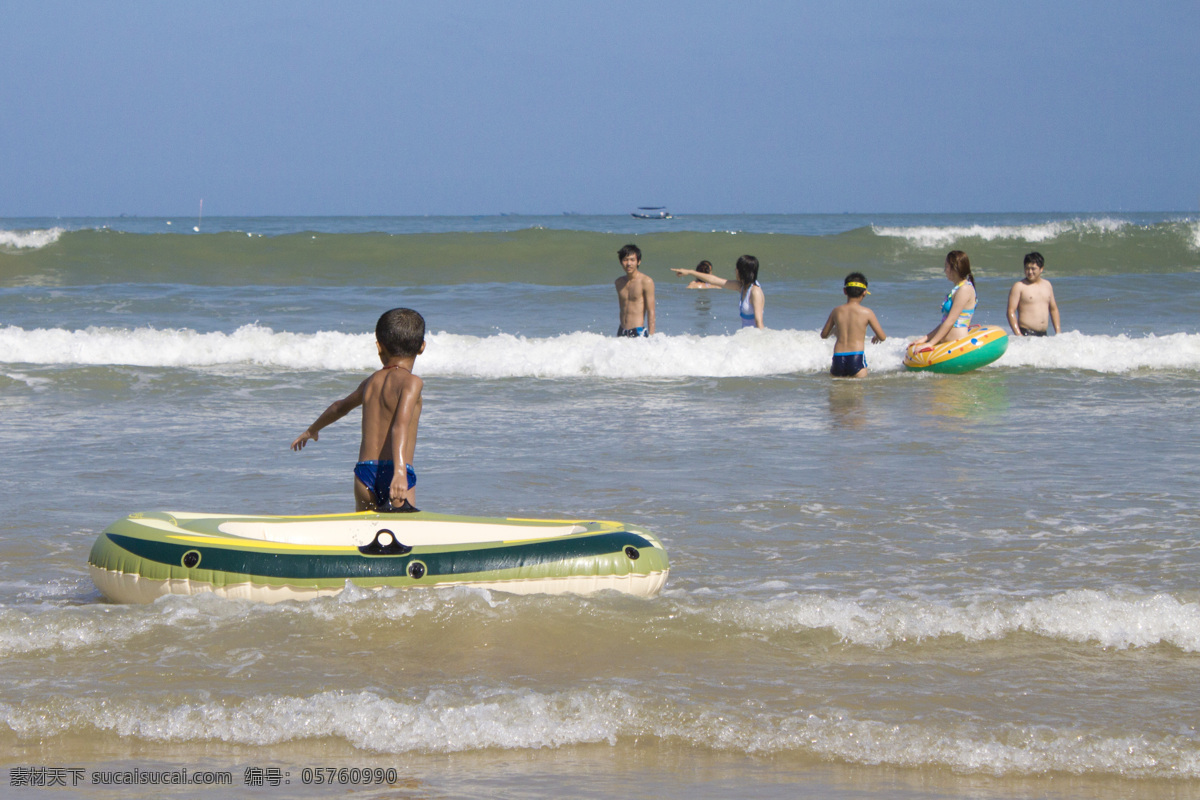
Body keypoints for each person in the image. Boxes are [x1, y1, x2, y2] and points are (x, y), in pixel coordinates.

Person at [291, 308, 425, 512]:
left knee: (365, 535)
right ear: (422, 347)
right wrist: (399, 471)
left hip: (364, 474)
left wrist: (312, 430)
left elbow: (339, 407)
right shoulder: (412, 382)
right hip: (396, 472)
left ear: (379, 347)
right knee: (402, 533)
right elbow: (400, 426)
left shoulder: (371, 382)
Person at [820, 272, 886, 377]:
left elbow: (823, 335)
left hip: (838, 357)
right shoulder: (867, 312)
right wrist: (877, 336)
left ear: (845, 291)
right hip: (856, 356)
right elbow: (882, 337)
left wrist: (834, 331)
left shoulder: (836, 311)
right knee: (857, 392)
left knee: (837, 391)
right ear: (864, 293)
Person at [671, 255, 765, 328]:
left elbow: (759, 322)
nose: (735, 271)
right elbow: (714, 280)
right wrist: (690, 272)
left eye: (736, 268)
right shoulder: (742, 287)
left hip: (754, 341)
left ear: (742, 271)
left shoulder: (754, 291)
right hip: (747, 337)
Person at [910, 250, 977, 349]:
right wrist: (925, 338)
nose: (944, 270)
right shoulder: (957, 289)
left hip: (957, 345)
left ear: (954, 268)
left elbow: (950, 321)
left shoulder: (965, 289)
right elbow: (944, 323)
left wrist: (931, 343)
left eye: (946, 266)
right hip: (948, 344)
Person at [1006, 251, 1061, 336]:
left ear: (1041, 269)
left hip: (1043, 335)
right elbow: (1010, 311)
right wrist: (1018, 334)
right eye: (1027, 268)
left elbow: (1053, 309)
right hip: (1026, 333)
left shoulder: (1047, 285)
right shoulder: (1019, 286)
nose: (1030, 272)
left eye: (1033, 269)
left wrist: (1058, 332)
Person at [614, 243, 656, 337]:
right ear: (621, 262)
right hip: (622, 331)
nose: (629, 263)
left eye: (632, 260)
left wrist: (652, 337)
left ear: (638, 262)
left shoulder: (646, 281)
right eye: (625, 260)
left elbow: (651, 312)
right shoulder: (619, 282)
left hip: (638, 331)